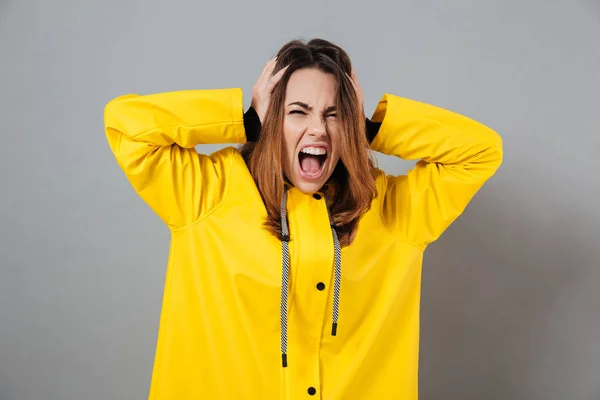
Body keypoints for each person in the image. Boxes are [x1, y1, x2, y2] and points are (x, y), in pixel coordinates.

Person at [104, 38, 503, 399]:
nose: (319, 129)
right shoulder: (209, 192)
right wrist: (244, 118)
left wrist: (369, 126)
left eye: (333, 115)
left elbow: (482, 150)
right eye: (298, 111)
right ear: (272, 119)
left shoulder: (389, 209)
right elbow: (127, 126)